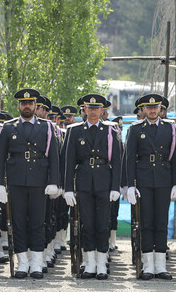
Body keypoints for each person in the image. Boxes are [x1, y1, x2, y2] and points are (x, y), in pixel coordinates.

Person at [0, 88, 62, 279]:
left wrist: (54, 181)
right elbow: (0, 157)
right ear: (19, 106)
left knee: (38, 223)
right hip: (16, 181)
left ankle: (37, 263)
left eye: (30, 103)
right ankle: (23, 262)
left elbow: (54, 156)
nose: (26, 106)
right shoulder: (9, 127)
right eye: (23, 103)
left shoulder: (46, 126)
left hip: (39, 180)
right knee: (19, 223)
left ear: (35, 106)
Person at [62, 94, 121, 280]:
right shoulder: (75, 131)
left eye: (96, 108)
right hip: (84, 180)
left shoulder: (110, 130)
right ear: (85, 110)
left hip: (104, 180)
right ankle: (89, 262)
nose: (93, 111)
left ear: (102, 110)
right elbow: (68, 161)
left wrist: (116, 186)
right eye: (90, 108)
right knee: (87, 223)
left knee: (103, 223)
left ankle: (101, 262)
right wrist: (67, 188)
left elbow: (117, 160)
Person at [124, 93, 176, 280]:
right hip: (144, 180)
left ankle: (161, 266)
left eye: (156, 107)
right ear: (143, 109)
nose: (153, 110)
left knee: (161, 222)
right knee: (146, 223)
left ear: (160, 109)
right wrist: (130, 185)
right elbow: (129, 159)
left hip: (164, 179)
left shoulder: (170, 128)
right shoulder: (135, 129)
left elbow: (175, 158)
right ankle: (148, 265)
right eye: (149, 107)